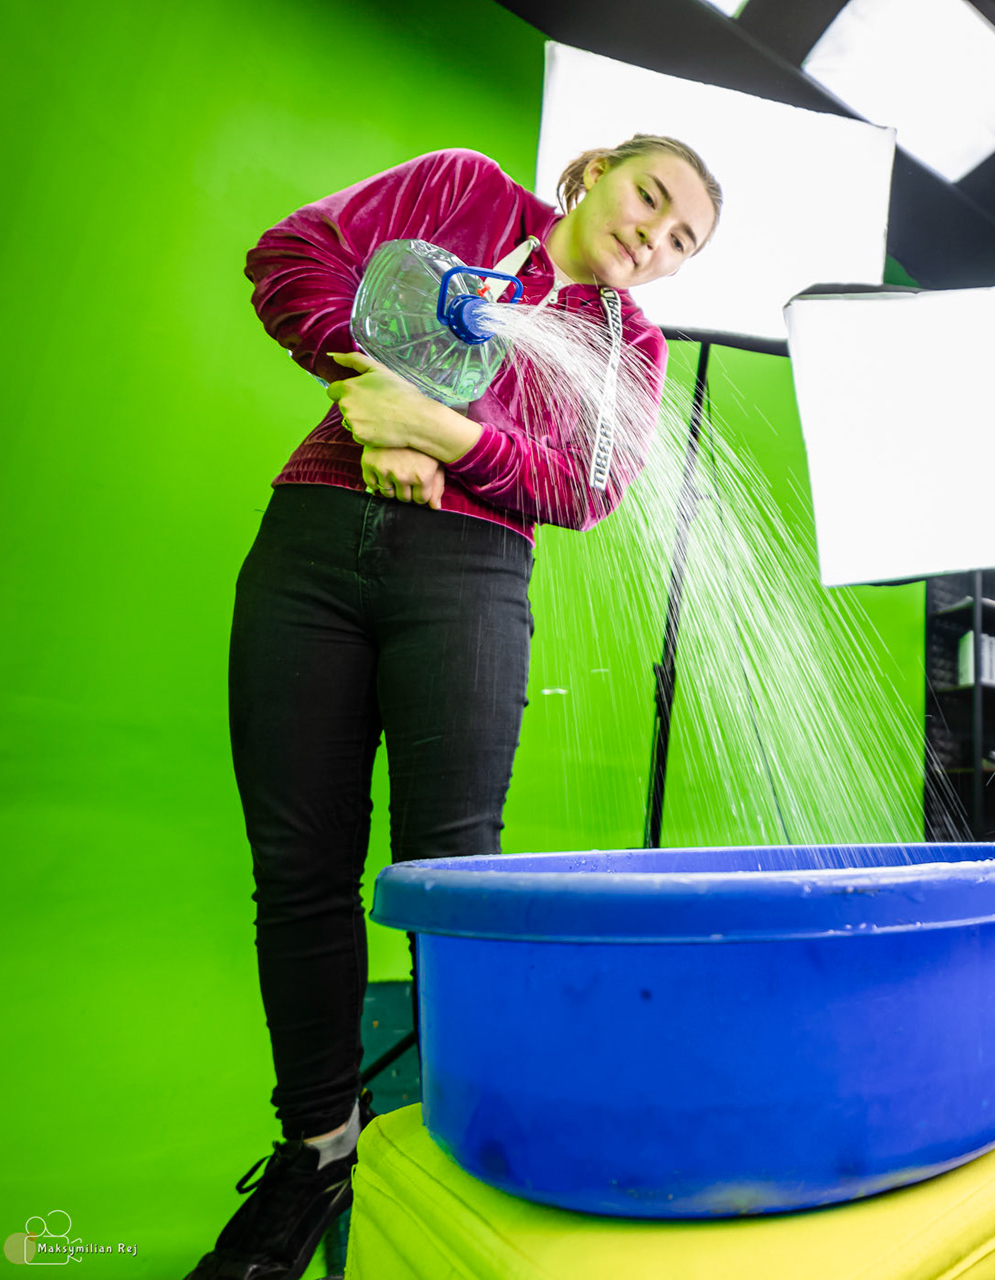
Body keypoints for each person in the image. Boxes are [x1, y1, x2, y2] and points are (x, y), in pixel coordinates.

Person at [189, 138, 721, 1280]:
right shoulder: (463, 189)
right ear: (597, 169)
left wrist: (443, 436)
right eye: (651, 197)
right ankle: (317, 1147)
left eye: (682, 240)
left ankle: (464, 1142)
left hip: (470, 577)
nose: (653, 236)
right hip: (311, 545)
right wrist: (371, 400)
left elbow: (586, 485)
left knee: (451, 872)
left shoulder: (630, 344)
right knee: (299, 869)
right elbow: (291, 255)